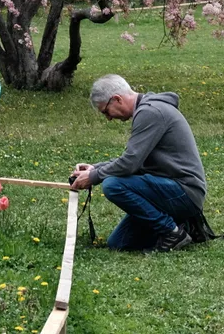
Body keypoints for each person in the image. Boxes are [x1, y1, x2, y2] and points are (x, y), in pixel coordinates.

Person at [68, 74, 207, 253]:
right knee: (118, 243)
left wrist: (94, 176)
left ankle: (172, 232)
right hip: (168, 189)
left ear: (117, 99)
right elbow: (134, 160)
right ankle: (183, 224)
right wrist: (96, 168)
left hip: (185, 192)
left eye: (105, 111)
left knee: (113, 185)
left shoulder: (150, 112)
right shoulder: (147, 110)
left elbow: (129, 164)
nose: (108, 118)